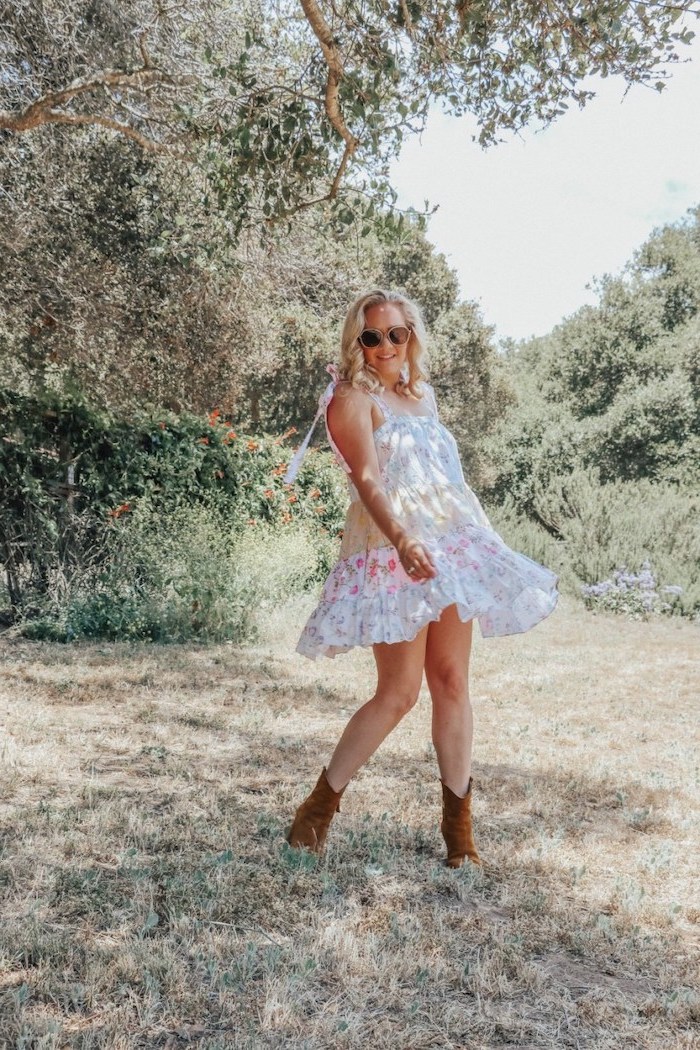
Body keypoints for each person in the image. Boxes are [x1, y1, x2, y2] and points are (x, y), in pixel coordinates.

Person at [282, 289, 558, 867]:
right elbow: (367, 481)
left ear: (412, 335)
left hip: (450, 548)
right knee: (399, 692)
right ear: (356, 342)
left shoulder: (422, 396)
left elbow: (441, 480)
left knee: (453, 681)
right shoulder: (351, 399)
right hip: (392, 551)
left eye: (396, 334)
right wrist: (404, 540)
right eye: (372, 336)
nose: (386, 346)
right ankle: (317, 810)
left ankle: (460, 837)